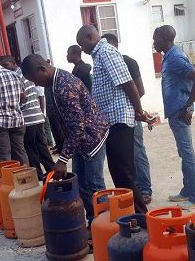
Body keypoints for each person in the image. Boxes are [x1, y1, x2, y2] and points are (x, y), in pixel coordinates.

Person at [21, 54, 107, 225]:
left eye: (35, 79)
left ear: (42, 69)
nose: (36, 84)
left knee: (94, 186)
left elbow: (78, 126)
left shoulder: (64, 86)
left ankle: (105, 226)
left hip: (92, 138)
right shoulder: (53, 82)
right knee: (80, 184)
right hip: (78, 141)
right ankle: (93, 222)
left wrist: (62, 159)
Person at [76, 25, 148, 214]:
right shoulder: (98, 55)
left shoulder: (107, 52)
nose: (81, 49)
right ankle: (131, 215)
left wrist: (138, 111)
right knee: (117, 171)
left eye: (81, 44)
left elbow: (127, 82)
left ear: (91, 36)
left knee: (124, 172)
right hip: (110, 119)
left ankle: (141, 216)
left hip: (120, 118)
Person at [152, 26, 195, 209]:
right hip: (175, 111)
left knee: (188, 154)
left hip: (179, 112)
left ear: (165, 38)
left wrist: (186, 107)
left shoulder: (175, 57)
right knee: (184, 153)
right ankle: (187, 190)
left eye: (156, 38)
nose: (154, 42)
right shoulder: (169, 56)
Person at [102, 33, 153, 205]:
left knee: (137, 151)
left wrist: (133, 108)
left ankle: (144, 189)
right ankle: (134, 190)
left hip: (130, 114)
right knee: (125, 159)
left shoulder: (127, 61)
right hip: (116, 117)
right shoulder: (103, 63)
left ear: (113, 46)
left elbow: (139, 89)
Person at [0, 56, 54, 177]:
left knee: (30, 149)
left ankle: (38, 174)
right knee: (41, 147)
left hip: (29, 117)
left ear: (13, 63)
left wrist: (15, 108)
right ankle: (52, 170)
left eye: (6, 65)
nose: (4, 69)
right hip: (37, 116)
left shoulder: (17, 76)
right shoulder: (25, 74)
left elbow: (23, 99)